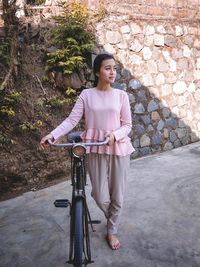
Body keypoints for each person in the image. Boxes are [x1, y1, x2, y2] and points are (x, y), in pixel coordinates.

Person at [39, 53, 134, 250]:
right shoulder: (86, 95)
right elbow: (72, 120)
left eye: (114, 68)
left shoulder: (121, 96)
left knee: (118, 195)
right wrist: (52, 135)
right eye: (108, 68)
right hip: (95, 147)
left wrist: (114, 135)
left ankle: (111, 230)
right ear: (98, 71)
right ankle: (112, 218)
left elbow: (127, 125)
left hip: (118, 147)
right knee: (99, 194)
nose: (112, 72)